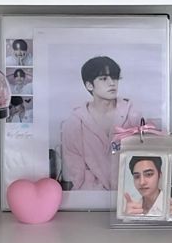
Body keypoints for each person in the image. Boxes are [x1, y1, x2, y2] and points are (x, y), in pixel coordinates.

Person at [60, 55, 142, 191]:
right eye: (104, 78)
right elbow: (77, 172)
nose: (112, 83)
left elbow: (142, 161)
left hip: (129, 194)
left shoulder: (133, 116)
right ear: (89, 85)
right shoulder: (74, 123)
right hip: (89, 196)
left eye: (114, 77)